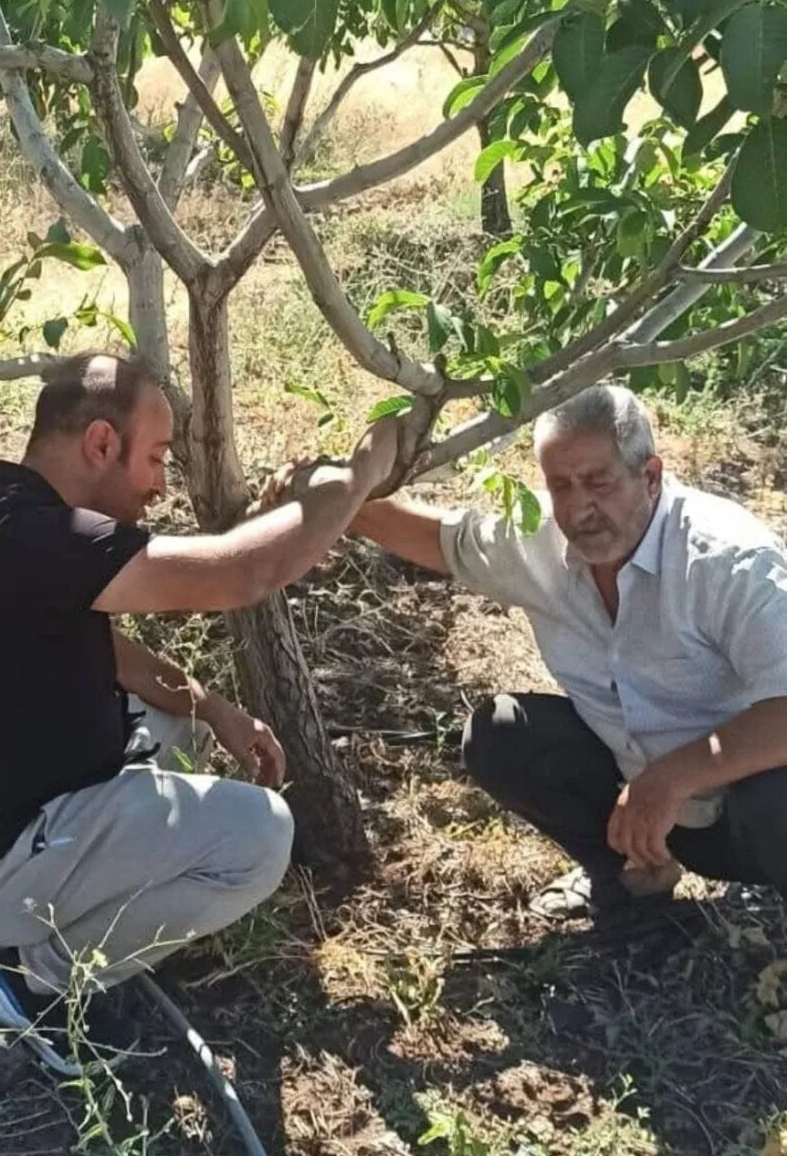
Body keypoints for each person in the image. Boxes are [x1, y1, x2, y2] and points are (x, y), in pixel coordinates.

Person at [0, 354, 397, 1074]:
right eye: (155, 457)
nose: (159, 484)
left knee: (176, 724)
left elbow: (107, 649)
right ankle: (40, 988)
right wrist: (360, 476)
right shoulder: (42, 540)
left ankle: (58, 923)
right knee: (261, 838)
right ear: (99, 444)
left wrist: (213, 707)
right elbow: (242, 573)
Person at [268, 384, 787, 919]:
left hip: (744, 814)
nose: (579, 508)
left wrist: (672, 777)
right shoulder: (540, 539)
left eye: (599, 483)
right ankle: (628, 885)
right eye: (560, 485)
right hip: (646, 817)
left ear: (650, 476)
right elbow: (434, 539)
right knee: (503, 732)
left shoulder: (728, 560)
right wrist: (329, 491)